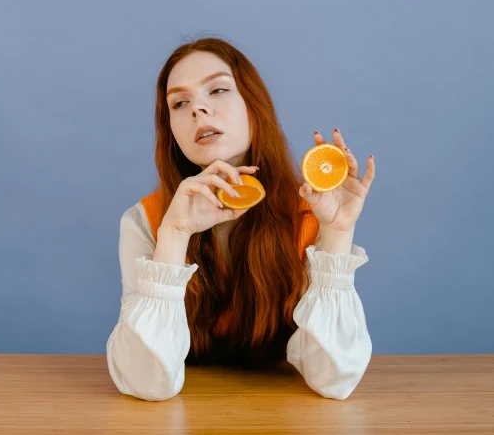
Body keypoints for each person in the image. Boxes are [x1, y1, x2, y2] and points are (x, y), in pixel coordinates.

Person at [106, 36, 375, 401]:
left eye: (217, 90)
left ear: (254, 104)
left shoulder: (310, 213)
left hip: (283, 428)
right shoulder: (147, 221)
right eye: (180, 103)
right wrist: (175, 233)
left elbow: (333, 379)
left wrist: (337, 232)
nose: (197, 109)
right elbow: (144, 383)